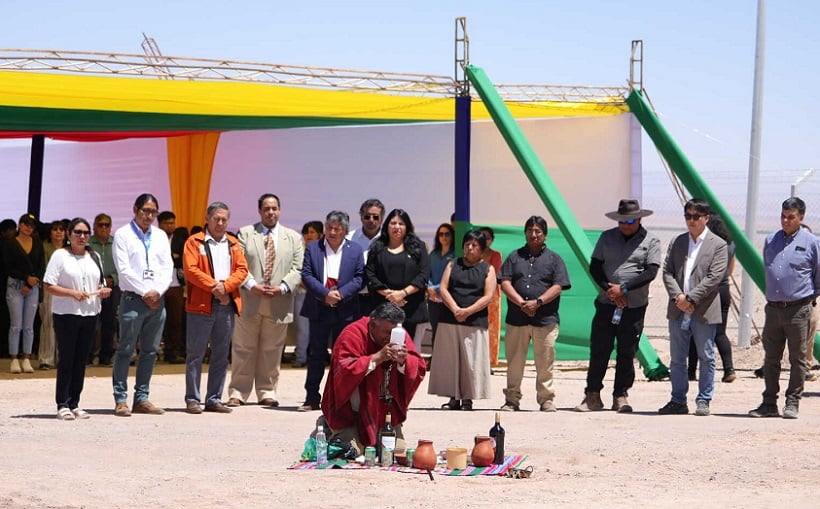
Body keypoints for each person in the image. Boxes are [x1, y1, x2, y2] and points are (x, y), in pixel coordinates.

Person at [574, 199, 661, 413]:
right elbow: (595, 266)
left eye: (630, 220)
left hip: (634, 307)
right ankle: (592, 395)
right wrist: (610, 290)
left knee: (626, 351)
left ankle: (620, 395)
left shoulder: (651, 241)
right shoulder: (606, 237)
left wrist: (624, 289)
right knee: (599, 350)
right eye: (621, 221)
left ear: (639, 219)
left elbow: (650, 272)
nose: (625, 225)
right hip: (607, 303)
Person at [227, 193, 303, 407]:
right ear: (259, 211)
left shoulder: (293, 237)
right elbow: (238, 264)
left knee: (272, 349)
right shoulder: (246, 234)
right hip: (250, 298)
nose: (271, 212)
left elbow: (298, 268)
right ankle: (238, 392)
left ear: (280, 210)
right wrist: (252, 285)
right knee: (243, 348)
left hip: (279, 301)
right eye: (267, 209)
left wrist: (284, 287)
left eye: (274, 208)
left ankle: (267, 391)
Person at [321, 302, 426, 454]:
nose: (390, 338)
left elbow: (419, 366)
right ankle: (327, 427)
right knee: (355, 452)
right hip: (351, 413)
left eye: (393, 333)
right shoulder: (352, 333)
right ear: (372, 324)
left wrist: (404, 361)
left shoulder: (399, 334)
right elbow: (343, 369)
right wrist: (376, 358)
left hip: (384, 412)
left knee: (396, 452)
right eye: (385, 332)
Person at [748, 197, 820, 420]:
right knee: (771, 358)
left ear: (801, 218)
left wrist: (808, 299)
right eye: (783, 216)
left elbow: (818, 276)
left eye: (791, 217)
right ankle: (769, 402)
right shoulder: (771, 240)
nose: (786, 221)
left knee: (797, 358)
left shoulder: (812, 242)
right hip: (773, 309)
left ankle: (792, 401)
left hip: (799, 309)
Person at [659, 198, 727, 417]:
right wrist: (678, 296)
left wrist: (691, 298)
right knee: (678, 358)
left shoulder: (718, 245)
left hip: (704, 309)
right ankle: (678, 400)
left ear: (706, 218)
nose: (691, 221)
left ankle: (704, 399)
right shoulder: (678, 242)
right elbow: (667, 271)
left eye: (695, 217)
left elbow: (714, 277)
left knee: (706, 356)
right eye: (687, 216)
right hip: (678, 308)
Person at [498, 216, 571, 412]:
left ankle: (546, 399)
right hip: (517, 318)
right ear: (525, 233)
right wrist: (521, 302)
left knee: (545, 362)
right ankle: (512, 399)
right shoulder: (514, 257)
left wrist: (538, 302)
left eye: (538, 231)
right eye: (530, 230)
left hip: (545, 319)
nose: (534, 234)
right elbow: (505, 282)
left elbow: (558, 286)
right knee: (514, 362)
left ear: (545, 235)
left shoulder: (555, 259)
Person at [43, 218, 113, 420]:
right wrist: (71, 293)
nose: (82, 237)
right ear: (69, 234)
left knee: (82, 360)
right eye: (77, 232)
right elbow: (48, 285)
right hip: (66, 314)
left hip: (90, 314)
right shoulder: (60, 255)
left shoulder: (94, 256)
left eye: (85, 233)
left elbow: (100, 283)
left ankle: (74, 402)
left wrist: (103, 290)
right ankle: (62, 403)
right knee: (67, 358)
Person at [182, 202, 248, 414]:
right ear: (207, 219)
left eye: (224, 219)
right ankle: (193, 398)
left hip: (225, 305)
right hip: (201, 305)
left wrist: (225, 287)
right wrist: (214, 286)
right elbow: (191, 270)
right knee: (195, 354)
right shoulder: (194, 241)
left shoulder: (233, 243)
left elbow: (242, 269)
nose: (220, 223)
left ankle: (213, 398)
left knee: (221, 354)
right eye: (216, 219)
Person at [112, 193, 174, 417]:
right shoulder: (123, 234)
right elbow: (124, 270)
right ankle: (121, 399)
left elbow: (167, 267)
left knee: (150, 351)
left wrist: (157, 291)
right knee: (126, 350)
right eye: (145, 210)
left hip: (157, 300)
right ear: (135, 210)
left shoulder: (159, 236)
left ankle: (142, 398)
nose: (149, 216)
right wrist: (144, 292)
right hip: (132, 299)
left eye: (153, 212)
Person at [297, 211, 364, 412]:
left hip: (345, 309)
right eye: (329, 228)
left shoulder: (356, 250)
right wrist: (325, 293)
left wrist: (341, 294)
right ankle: (311, 397)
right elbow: (306, 275)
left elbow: (360, 278)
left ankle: (339, 398)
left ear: (345, 230)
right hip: (319, 306)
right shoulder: (313, 248)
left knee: (342, 355)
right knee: (316, 353)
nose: (332, 232)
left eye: (337, 228)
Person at [428, 229, 496, 411]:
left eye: (474, 245)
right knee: (450, 359)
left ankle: (467, 398)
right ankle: (453, 398)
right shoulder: (453, 264)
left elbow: (488, 296)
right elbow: (443, 288)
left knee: (471, 361)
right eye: (467, 245)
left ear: (482, 249)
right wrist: (456, 309)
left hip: (474, 321)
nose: (470, 248)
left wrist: (467, 311)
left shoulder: (488, 269)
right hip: (450, 318)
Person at [365, 208, 430, 342]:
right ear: (386, 226)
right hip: (382, 307)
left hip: (411, 307)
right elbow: (370, 274)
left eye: (401, 224)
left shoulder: (418, 247)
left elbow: (423, 274)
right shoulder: (377, 247)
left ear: (407, 227)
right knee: (383, 347)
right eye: (393, 223)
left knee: (407, 349)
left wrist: (403, 293)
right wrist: (390, 295)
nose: (397, 227)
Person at [687, 214, 737, 383]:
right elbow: (730, 271)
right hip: (723, 289)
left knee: (695, 331)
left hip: (705, 291)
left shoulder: (708, 245)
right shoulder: (730, 245)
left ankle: (691, 371)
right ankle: (729, 369)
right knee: (720, 332)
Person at [3, 213, 45, 374]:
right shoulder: (10, 244)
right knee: (16, 325)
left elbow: (41, 264)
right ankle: (14, 358)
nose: (29, 227)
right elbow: (8, 266)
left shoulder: (37, 243)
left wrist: (32, 281)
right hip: (15, 285)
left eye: (31, 225)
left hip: (33, 286)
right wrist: (25, 278)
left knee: (29, 325)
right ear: (19, 225)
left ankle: (26, 357)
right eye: (26, 224)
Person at [88, 213, 119, 367]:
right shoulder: (88, 243)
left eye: (107, 225)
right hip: (92, 287)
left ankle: (105, 356)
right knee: (90, 322)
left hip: (112, 287)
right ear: (94, 226)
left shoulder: (116, 243)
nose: (104, 228)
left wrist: (112, 278)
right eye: (101, 225)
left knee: (109, 323)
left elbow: (123, 265)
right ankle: (87, 356)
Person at [292, 220, 324, 368]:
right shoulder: (299, 250)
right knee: (302, 328)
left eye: (312, 232)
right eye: (306, 232)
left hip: (318, 294)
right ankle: (300, 357)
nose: (308, 235)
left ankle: (311, 357)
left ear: (320, 234)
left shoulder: (324, 251)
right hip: (300, 293)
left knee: (315, 329)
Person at [346, 198, 385, 317]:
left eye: (375, 217)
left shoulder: (389, 240)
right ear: (361, 217)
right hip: (354, 299)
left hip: (382, 299)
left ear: (382, 218)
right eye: (367, 216)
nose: (371, 220)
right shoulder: (349, 238)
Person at [38, 220, 68, 370]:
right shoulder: (45, 247)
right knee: (48, 323)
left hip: (67, 289)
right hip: (49, 287)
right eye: (55, 229)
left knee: (64, 323)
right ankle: (46, 358)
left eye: (61, 229)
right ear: (50, 232)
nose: (58, 232)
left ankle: (61, 357)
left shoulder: (69, 249)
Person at [158, 210, 185, 364]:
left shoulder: (181, 239)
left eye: (172, 223)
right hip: (158, 285)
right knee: (156, 320)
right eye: (167, 223)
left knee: (175, 320)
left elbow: (181, 260)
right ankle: (153, 352)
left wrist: (174, 258)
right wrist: (172, 257)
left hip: (175, 285)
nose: (170, 226)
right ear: (160, 224)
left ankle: (173, 353)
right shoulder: (154, 238)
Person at [479, 226, 503, 368]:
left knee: (492, 330)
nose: (485, 240)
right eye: (482, 236)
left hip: (492, 296)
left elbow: (495, 275)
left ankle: (489, 361)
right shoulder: (473, 253)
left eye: (488, 237)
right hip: (475, 294)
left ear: (492, 240)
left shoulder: (496, 255)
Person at [426, 223, 455, 341]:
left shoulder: (455, 254)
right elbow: (427, 273)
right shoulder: (433, 254)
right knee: (435, 329)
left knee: (446, 332)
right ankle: (435, 358)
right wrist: (430, 288)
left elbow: (453, 275)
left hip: (448, 297)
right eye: (441, 234)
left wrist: (437, 288)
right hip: (433, 298)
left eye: (447, 234)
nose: (444, 237)